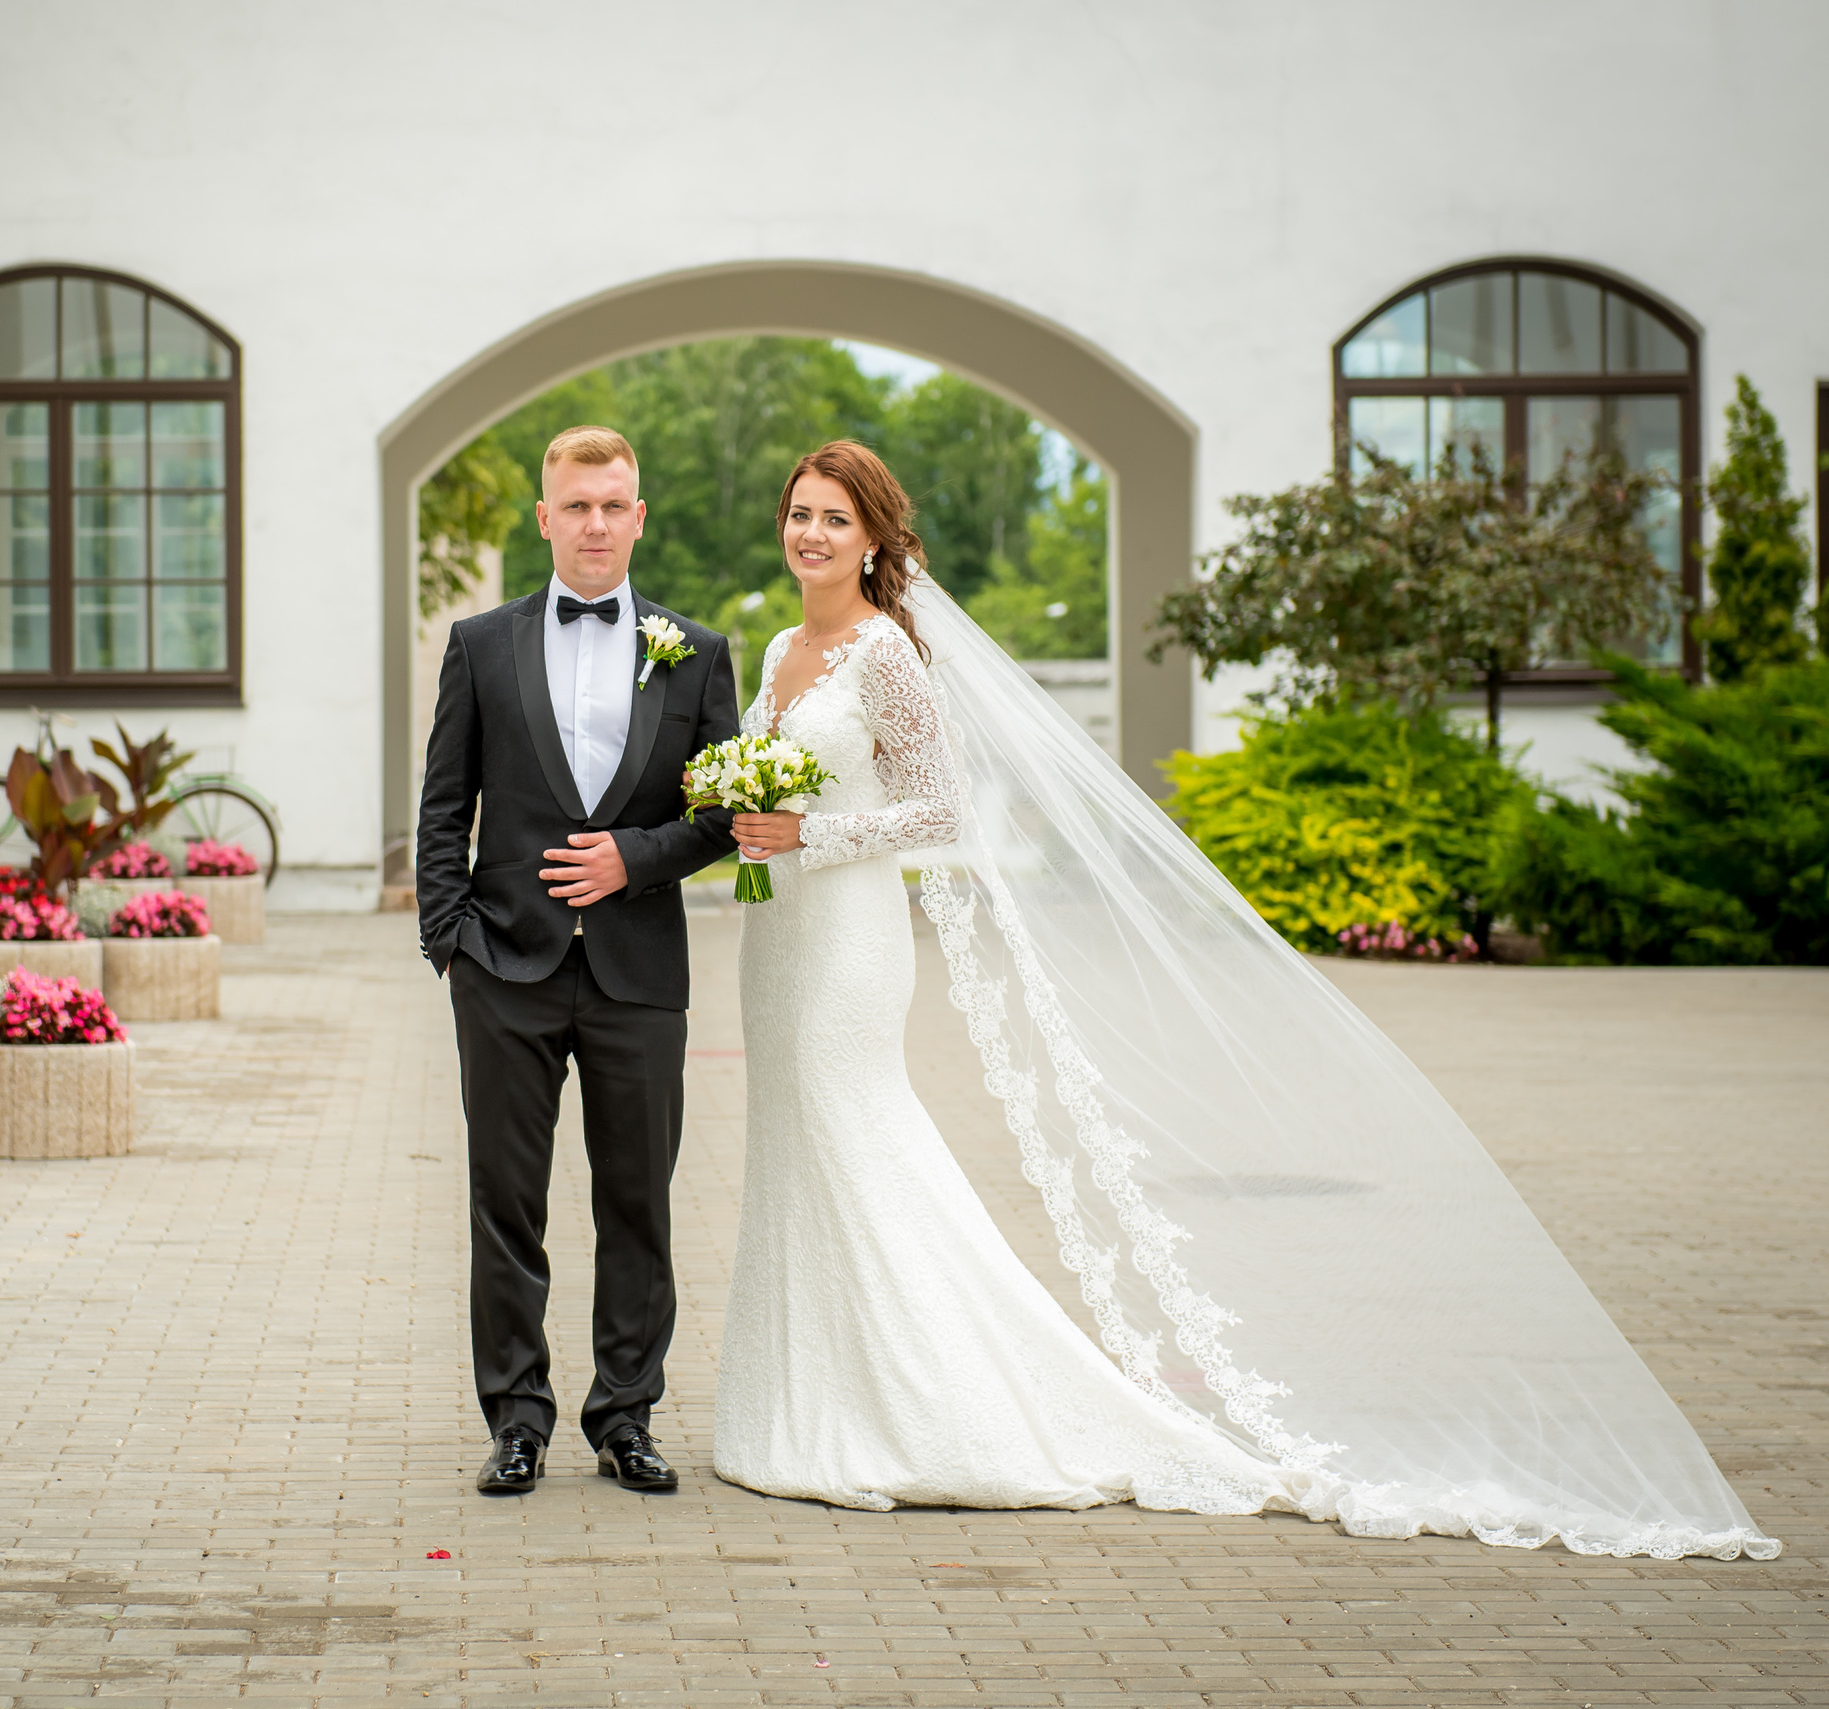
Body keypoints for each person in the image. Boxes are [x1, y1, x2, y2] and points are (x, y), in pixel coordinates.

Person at [709, 439, 1778, 1560]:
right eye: (798, 513)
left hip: (850, 943)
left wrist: (811, 833)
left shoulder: (886, 655)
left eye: (834, 517)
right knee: (791, 1143)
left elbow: (940, 810)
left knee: (856, 1133)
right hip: (777, 937)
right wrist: (751, 826)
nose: (811, 534)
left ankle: (931, 1403)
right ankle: (799, 1407)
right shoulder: (783, 647)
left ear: (875, 538)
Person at [416, 425, 740, 1496]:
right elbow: (441, 810)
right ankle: (516, 1416)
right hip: (502, 969)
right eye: (577, 505)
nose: (596, 523)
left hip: (640, 975)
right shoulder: (479, 644)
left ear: (639, 516)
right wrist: (450, 941)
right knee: (504, 1201)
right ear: (544, 516)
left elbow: (720, 819)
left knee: (637, 1201)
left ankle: (625, 1415)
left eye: (614, 504)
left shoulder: (694, 652)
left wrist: (632, 859)